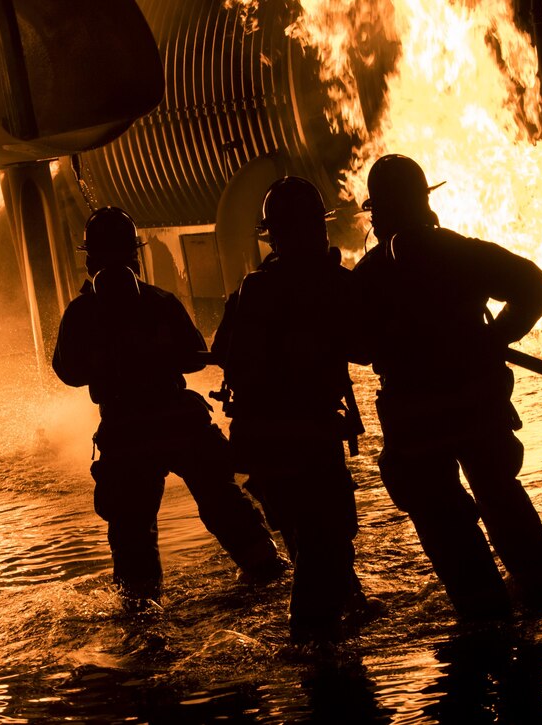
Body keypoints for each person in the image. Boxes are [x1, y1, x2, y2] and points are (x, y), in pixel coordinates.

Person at [353, 153, 542, 621]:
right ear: (424, 200)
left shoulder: (366, 277)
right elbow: (536, 286)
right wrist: (497, 336)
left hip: (414, 423)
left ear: (379, 211)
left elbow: (355, 346)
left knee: (441, 517)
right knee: (500, 494)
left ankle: (483, 614)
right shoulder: (463, 252)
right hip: (477, 407)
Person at [52, 206, 287, 614]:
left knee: (132, 533)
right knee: (223, 500)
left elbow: (68, 372)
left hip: (124, 431)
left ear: (89, 258)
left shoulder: (81, 313)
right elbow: (195, 358)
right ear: (135, 255)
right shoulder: (161, 301)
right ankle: (266, 571)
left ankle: (143, 608)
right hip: (179, 420)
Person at [211, 177, 365, 642]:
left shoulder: (250, 290)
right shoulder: (333, 285)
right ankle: (311, 647)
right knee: (328, 538)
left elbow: (222, 352)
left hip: (260, 444)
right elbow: (366, 346)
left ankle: (349, 608)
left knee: (307, 538)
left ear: (272, 236)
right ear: (318, 230)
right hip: (309, 439)